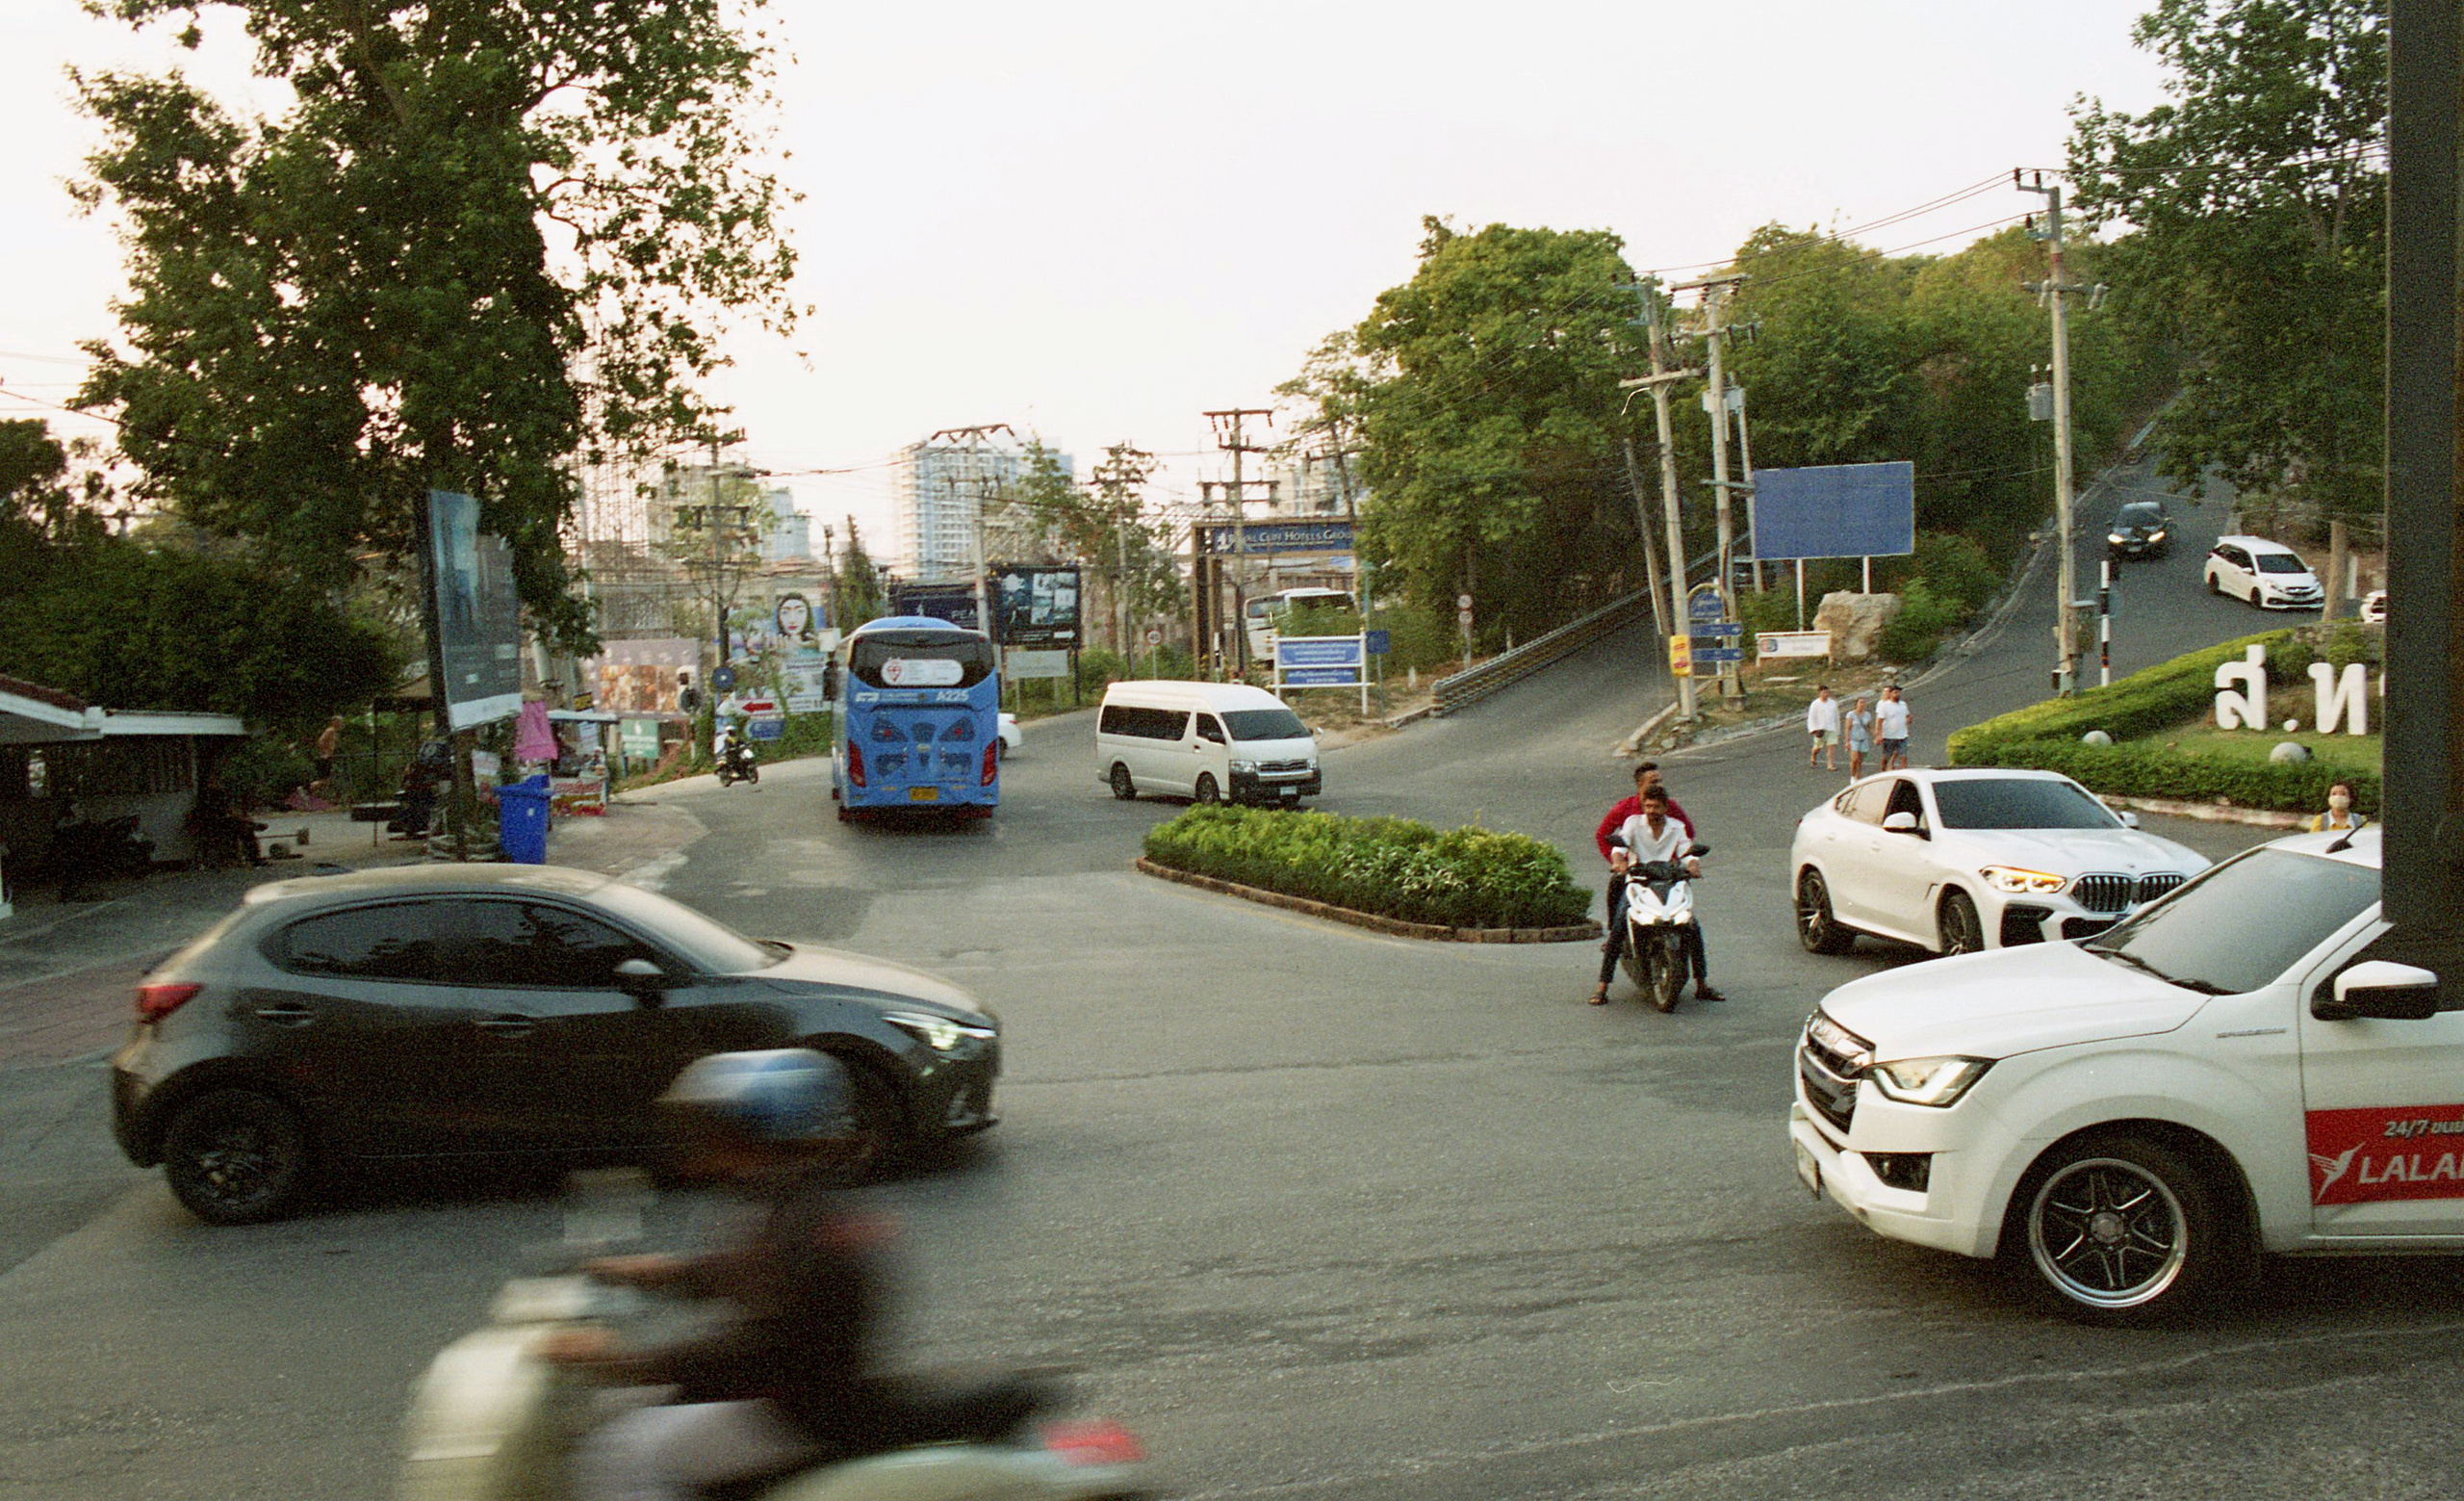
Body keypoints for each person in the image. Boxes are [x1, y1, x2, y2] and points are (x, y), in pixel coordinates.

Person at [554, 1050, 1043, 1501]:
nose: (700, 1145)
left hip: (802, 1413)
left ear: (758, 1134)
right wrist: (652, 1273)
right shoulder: (791, 1198)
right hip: (801, 1396)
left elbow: (768, 1346)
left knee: (622, 1456)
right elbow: (744, 1273)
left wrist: (631, 1361)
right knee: (627, 1418)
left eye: (715, 1129)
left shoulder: (811, 1219)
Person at [1588, 787, 1721, 1007]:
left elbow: (1686, 852)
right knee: (1620, 926)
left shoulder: (1676, 828)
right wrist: (1619, 862)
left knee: (1692, 928)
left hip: (1669, 881)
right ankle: (1602, 987)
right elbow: (1620, 846)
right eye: (1648, 806)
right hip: (1638, 881)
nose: (1652, 811)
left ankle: (1702, 985)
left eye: (1656, 806)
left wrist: (1693, 865)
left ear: (1666, 808)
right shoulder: (1633, 823)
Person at [1874, 685, 1912, 771]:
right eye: (1895, 692)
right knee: (1886, 757)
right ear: (1890, 694)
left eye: (1898, 692)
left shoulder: (1903, 704)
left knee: (1903, 757)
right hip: (1889, 736)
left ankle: (1903, 775)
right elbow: (1880, 721)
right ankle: (1882, 772)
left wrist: (1909, 720)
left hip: (1902, 736)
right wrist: (1879, 734)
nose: (1897, 694)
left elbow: (1908, 715)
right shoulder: (1885, 705)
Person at [1805, 686, 1841, 771]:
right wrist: (1812, 729)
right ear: (1820, 693)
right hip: (1820, 729)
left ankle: (1830, 764)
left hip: (1831, 728)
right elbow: (1811, 717)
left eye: (1827, 692)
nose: (1826, 694)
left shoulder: (1833, 703)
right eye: (1824, 693)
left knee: (1831, 746)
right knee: (1818, 746)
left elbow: (1836, 716)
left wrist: (1838, 730)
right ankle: (1813, 756)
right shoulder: (1815, 704)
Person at [1843, 695, 1877, 782]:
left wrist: (1876, 736)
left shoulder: (1867, 715)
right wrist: (1847, 741)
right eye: (1860, 702)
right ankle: (1853, 776)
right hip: (1854, 739)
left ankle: (1858, 776)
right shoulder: (1851, 714)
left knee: (1860, 760)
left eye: (1864, 702)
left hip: (1863, 739)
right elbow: (1848, 728)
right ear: (1856, 704)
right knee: (1854, 759)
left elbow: (1870, 727)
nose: (1862, 704)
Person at [312, 715, 345, 794]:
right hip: (325, 757)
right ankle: (308, 789)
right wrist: (325, 752)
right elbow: (321, 741)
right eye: (339, 722)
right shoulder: (330, 730)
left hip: (329, 757)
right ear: (335, 722)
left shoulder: (334, 732)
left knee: (327, 780)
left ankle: (313, 791)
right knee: (324, 780)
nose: (341, 724)